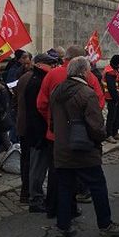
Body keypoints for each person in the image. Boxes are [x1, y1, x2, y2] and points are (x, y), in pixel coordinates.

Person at [50, 56, 119, 237]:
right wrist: (99, 139)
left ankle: (63, 226)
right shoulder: (87, 93)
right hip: (83, 149)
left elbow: (52, 121)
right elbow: (96, 125)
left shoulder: (56, 91)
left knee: (65, 187)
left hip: (62, 147)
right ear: (84, 72)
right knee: (98, 186)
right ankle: (105, 225)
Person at [37, 45, 105, 217]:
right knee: (90, 178)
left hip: (56, 135)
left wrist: (54, 122)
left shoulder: (52, 75)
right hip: (83, 136)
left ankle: (56, 212)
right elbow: (99, 103)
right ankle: (103, 220)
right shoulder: (89, 77)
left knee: (58, 176)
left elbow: (42, 104)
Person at [15, 53, 59, 210]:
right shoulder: (38, 80)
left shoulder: (26, 77)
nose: (53, 68)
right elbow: (38, 108)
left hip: (24, 125)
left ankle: (26, 193)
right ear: (41, 65)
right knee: (36, 164)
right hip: (34, 128)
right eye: (51, 65)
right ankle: (34, 196)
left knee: (28, 162)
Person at [102, 55, 119, 144]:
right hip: (112, 98)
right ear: (117, 63)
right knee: (111, 116)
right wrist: (116, 99)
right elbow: (111, 87)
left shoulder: (114, 70)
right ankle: (109, 135)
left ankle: (115, 132)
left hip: (116, 97)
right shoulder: (110, 72)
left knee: (117, 115)